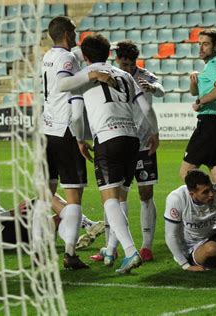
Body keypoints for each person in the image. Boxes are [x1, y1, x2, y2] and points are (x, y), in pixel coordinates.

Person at [62, 34, 159, 274]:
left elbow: (72, 111)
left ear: (85, 56)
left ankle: (129, 251)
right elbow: (146, 107)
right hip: (132, 139)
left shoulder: (84, 77)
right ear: (109, 54)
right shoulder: (126, 75)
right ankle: (110, 249)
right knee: (121, 196)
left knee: (110, 198)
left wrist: (79, 139)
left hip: (107, 137)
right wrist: (155, 133)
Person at [90, 40, 162, 263]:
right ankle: (111, 247)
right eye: (124, 63)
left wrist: (153, 88)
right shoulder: (112, 76)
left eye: (131, 64)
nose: (127, 67)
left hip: (143, 142)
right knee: (115, 195)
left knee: (143, 194)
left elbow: (160, 90)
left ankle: (145, 246)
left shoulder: (142, 76)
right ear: (116, 59)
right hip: (126, 138)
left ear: (136, 62)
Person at [41, 16, 94, 269]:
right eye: (73, 30)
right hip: (65, 131)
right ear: (66, 33)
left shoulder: (47, 56)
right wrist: (90, 75)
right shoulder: (68, 58)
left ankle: (38, 248)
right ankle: (70, 254)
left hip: (46, 129)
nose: (76, 34)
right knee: (73, 197)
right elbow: (66, 87)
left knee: (45, 193)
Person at [179, 29, 216, 186]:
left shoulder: (214, 65)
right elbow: (195, 92)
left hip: (210, 123)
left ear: (215, 46)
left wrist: (200, 102)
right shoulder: (215, 65)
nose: (201, 48)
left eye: (206, 44)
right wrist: (195, 81)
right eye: (199, 44)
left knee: (186, 174)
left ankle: (208, 201)